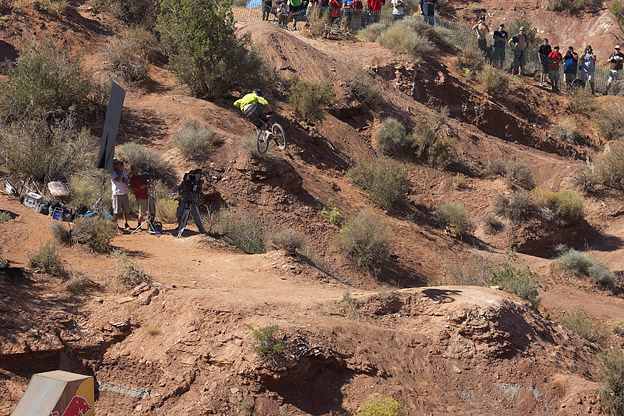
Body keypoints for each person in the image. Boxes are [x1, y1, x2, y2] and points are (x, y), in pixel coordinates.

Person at [110, 159, 130, 230]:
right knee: (116, 210)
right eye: (114, 164)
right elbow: (118, 180)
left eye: (117, 164)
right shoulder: (112, 173)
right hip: (117, 193)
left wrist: (126, 181)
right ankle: (115, 224)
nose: (116, 165)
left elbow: (126, 179)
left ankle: (126, 223)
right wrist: (121, 171)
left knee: (126, 209)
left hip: (124, 192)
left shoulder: (123, 172)